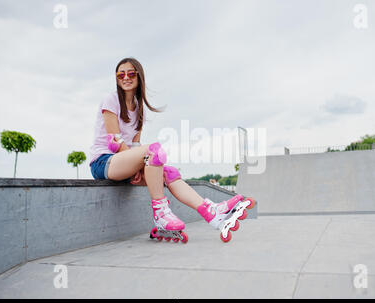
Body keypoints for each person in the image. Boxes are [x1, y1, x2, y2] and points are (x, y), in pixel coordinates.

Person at [89, 57, 253, 243]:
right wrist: (134, 165)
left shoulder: (138, 108)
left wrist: (134, 166)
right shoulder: (110, 100)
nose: (126, 77)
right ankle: (161, 215)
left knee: (170, 173)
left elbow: (136, 145)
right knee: (154, 151)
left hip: (123, 162)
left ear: (139, 77)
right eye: (121, 74)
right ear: (117, 78)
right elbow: (114, 141)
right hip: (104, 161)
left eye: (131, 73)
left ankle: (211, 212)